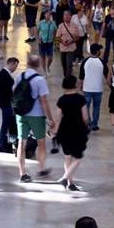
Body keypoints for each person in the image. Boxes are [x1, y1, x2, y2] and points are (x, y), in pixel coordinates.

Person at [15, 54, 52, 183]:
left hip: (21, 114)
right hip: (36, 115)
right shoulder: (40, 80)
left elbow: (14, 94)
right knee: (41, 143)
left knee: (21, 143)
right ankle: (41, 168)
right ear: (38, 65)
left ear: (28, 63)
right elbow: (44, 101)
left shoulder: (20, 76)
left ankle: (22, 173)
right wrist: (50, 118)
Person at [51, 75, 89, 192]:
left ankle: (70, 182)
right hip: (77, 130)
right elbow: (85, 117)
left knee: (67, 156)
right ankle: (65, 178)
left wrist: (55, 132)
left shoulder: (61, 100)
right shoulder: (80, 99)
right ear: (75, 85)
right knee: (77, 157)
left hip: (64, 130)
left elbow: (57, 118)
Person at [82, 43, 106, 133]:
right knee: (96, 107)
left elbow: (81, 76)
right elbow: (107, 75)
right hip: (98, 88)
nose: (101, 52)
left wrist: (80, 86)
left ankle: (87, 123)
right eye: (100, 50)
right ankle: (94, 124)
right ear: (97, 51)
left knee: (86, 107)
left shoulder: (85, 61)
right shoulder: (102, 62)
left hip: (87, 88)